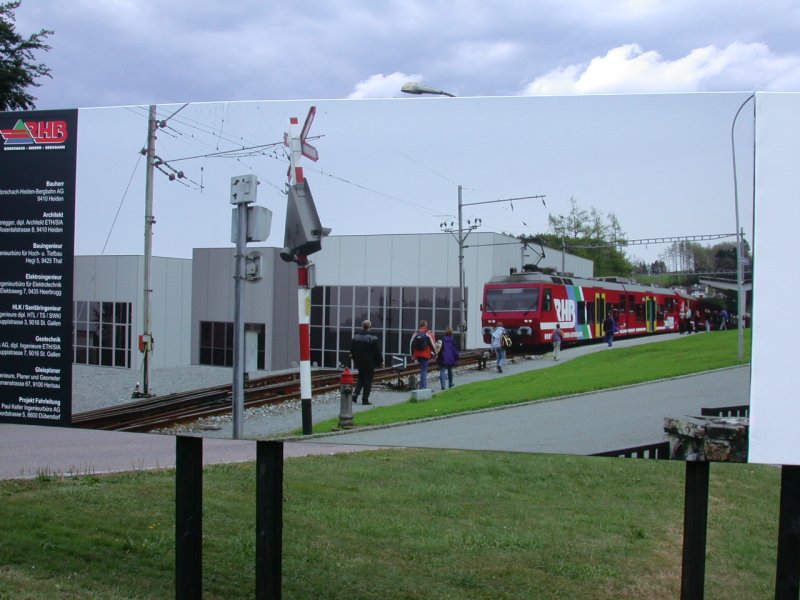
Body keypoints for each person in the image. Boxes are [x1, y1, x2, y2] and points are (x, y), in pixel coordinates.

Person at [349, 320, 383, 405]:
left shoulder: (356, 336)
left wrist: (354, 358)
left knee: (361, 378)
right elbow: (377, 351)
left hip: (359, 362)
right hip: (369, 363)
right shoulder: (373, 337)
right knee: (368, 381)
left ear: (362, 326)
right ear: (370, 327)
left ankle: (355, 395)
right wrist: (381, 361)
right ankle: (365, 400)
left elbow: (352, 349)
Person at [409, 320, 436, 389]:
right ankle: (423, 387)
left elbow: (411, 344)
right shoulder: (428, 333)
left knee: (422, 369)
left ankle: (422, 385)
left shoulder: (416, 333)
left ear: (420, 325)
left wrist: (412, 355)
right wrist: (435, 353)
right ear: (425, 325)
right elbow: (432, 344)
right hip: (425, 354)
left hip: (417, 354)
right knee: (424, 370)